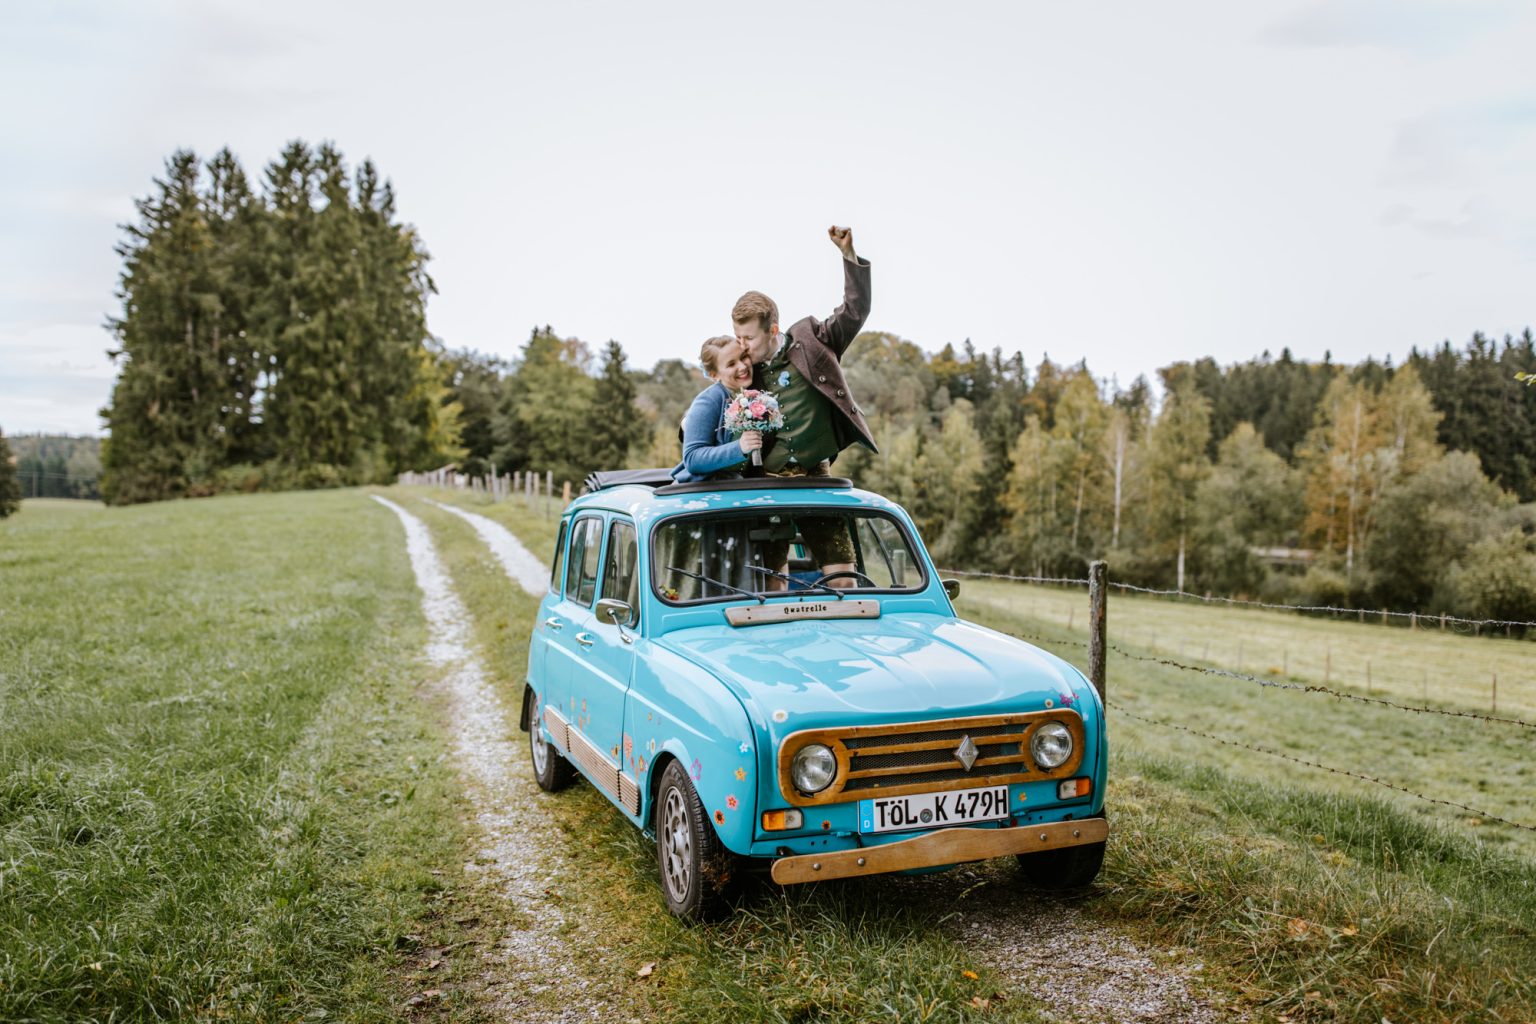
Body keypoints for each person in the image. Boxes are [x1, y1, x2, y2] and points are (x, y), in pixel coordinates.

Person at [731, 225, 875, 586]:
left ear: (773, 329)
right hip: (764, 484)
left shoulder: (814, 340)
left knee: (843, 578)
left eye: (748, 337)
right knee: (771, 584)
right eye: (737, 337)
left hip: (816, 475)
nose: (741, 346)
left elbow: (855, 311)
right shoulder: (744, 371)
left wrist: (848, 255)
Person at [669, 335, 763, 483]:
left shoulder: (754, 394)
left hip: (738, 488)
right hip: (699, 494)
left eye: (743, 357)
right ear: (714, 375)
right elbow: (692, 459)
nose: (743, 366)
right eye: (731, 364)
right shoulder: (709, 400)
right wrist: (739, 447)